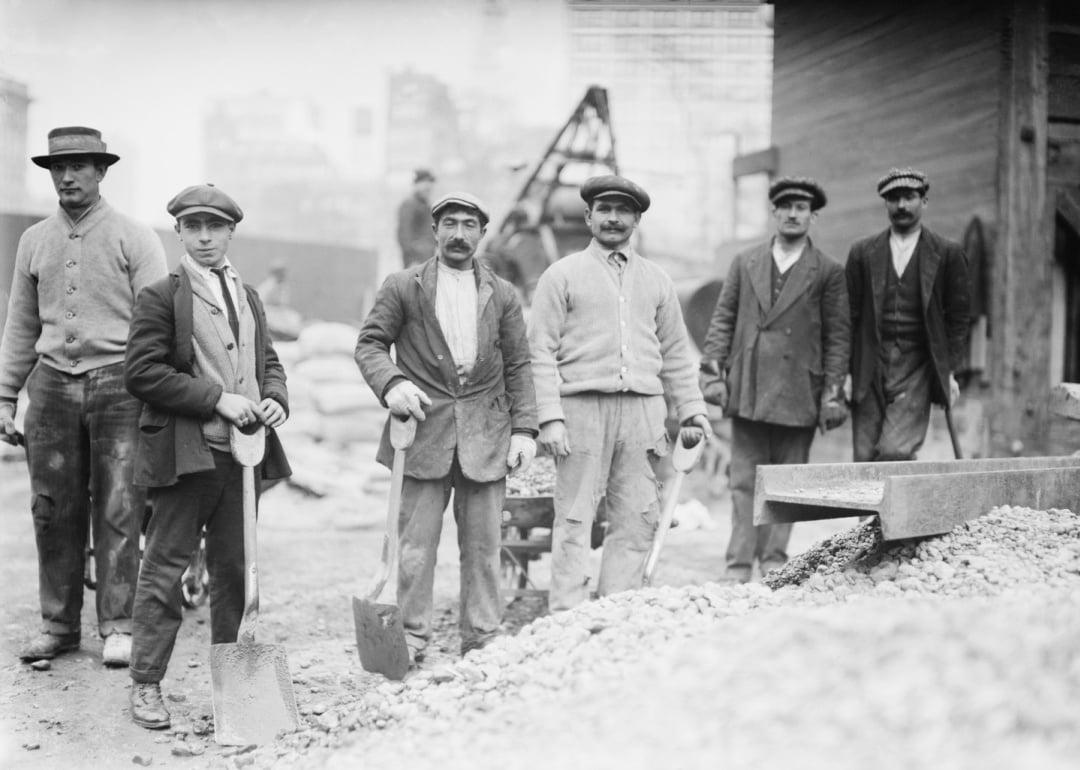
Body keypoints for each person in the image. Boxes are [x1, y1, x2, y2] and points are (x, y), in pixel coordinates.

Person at [123, 184, 291, 729]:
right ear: (178, 233)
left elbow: (268, 362)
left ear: (231, 232)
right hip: (186, 454)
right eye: (192, 227)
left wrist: (275, 396)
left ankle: (236, 692)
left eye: (214, 227)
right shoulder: (160, 296)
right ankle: (146, 684)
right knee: (164, 569)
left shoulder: (248, 295)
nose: (203, 238)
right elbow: (142, 374)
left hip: (242, 459)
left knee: (235, 572)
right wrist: (217, 398)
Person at [0, 126, 167, 666]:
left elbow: (157, 323)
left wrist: (155, 391)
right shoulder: (33, 240)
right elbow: (20, 324)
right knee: (52, 509)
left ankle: (118, 625)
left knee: (120, 505)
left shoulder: (135, 237)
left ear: (101, 171)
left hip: (120, 384)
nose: (67, 177)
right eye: (58, 167)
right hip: (50, 386)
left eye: (78, 166)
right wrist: (6, 395)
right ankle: (58, 625)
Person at [356, 191, 537, 662]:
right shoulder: (404, 285)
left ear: (482, 233)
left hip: (486, 436)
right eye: (450, 224)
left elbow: (519, 364)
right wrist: (392, 383)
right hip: (421, 433)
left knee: (484, 547)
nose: (459, 234)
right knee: (416, 548)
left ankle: (483, 635)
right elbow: (370, 344)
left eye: (469, 225)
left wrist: (524, 430)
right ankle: (412, 637)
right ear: (434, 231)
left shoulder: (502, 293)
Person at [527, 174, 711, 611]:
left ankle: (617, 609)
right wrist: (550, 417)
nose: (613, 218)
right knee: (575, 517)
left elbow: (675, 353)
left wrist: (692, 410)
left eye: (623, 211)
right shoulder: (561, 275)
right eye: (604, 210)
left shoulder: (657, 280)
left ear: (636, 220)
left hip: (643, 413)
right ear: (588, 217)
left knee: (636, 517)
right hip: (581, 410)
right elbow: (539, 350)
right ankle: (567, 614)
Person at [699, 177, 850, 583]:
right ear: (774, 213)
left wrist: (833, 394)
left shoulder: (829, 271)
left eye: (801, 208)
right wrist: (713, 375)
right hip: (749, 385)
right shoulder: (745, 262)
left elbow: (838, 338)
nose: (793, 214)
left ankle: (773, 561)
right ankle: (737, 564)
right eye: (785, 206)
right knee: (743, 481)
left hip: (799, 390)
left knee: (787, 483)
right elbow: (722, 320)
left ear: (813, 216)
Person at [846, 168, 970, 462]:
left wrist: (949, 370)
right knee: (864, 455)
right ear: (885, 204)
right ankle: (886, 495)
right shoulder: (862, 252)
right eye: (893, 198)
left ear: (924, 201)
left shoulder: (947, 253)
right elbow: (848, 316)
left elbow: (958, 319)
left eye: (909, 197)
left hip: (917, 366)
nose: (901, 205)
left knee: (895, 450)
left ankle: (898, 487)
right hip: (869, 364)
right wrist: (845, 374)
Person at [397, 168, 437, 268]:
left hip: (428, 260)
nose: (428, 186)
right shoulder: (409, 205)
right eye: (424, 182)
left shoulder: (427, 206)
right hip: (416, 262)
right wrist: (412, 260)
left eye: (429, 183)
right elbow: (404, 234)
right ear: (416, 184)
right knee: (416, 278)